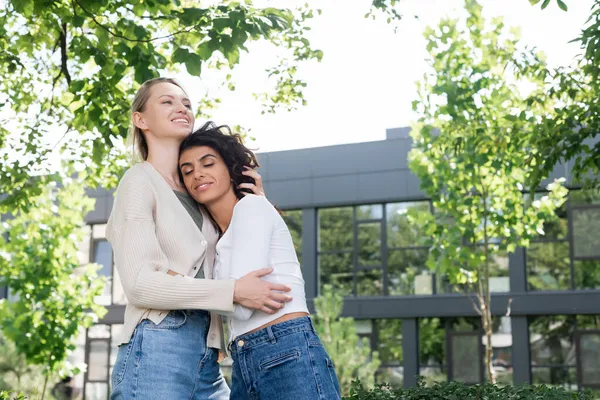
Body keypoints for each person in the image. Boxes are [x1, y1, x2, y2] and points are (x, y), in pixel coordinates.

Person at [106, 78, 292, 399]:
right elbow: (140, 283)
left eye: (186, 103)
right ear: (141, 119)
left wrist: (255, 203)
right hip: (158, 344)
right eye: (167, 102)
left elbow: (246, 253)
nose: (181, 108)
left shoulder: (199, 191)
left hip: (209, 357)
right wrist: (232, 291)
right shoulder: (138, 181)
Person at [178, 122, 342, 400]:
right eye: (187, 170)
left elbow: (243, 311)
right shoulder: (218, 240)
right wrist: (234, 292)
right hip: (246, 358)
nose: (198, 174)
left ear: (231, 169)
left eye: (208, 163)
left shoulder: (251, 208)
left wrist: (206, 294)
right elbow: (239, 300)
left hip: (285, 350)